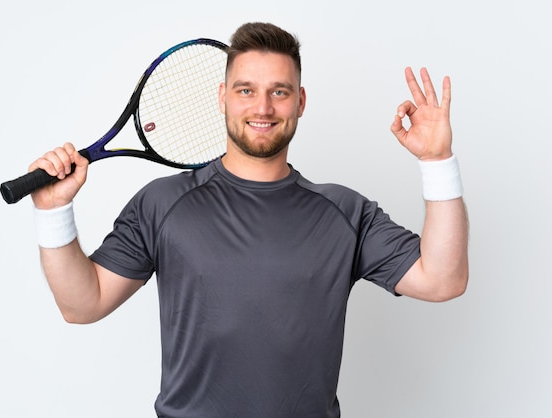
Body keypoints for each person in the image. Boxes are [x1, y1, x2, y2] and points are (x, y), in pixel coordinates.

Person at [28, 22, 468, 418]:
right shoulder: (163, 203)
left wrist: (437, 160)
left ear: (300, 101)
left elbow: (442, 280)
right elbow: (81, 305)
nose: (263, 107)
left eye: (279, 91)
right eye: (245, 90)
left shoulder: (345, 212)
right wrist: (54, 212)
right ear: (223, 98)